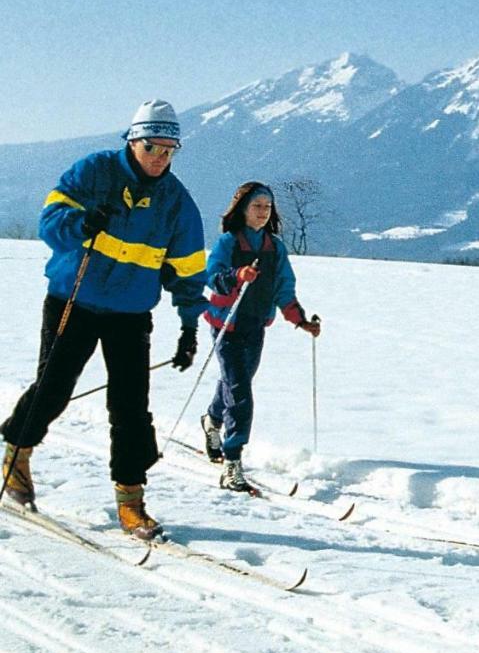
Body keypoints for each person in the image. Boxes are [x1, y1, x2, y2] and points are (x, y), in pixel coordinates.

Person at [0, 100, 208, 539]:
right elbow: (49, 224)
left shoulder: (177, 203)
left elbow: (188, 271)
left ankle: (131, 501)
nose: (160, 158)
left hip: (130, 314)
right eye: (153, 147)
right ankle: (17, 452)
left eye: (170, 150)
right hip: (73, 300)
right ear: (133, 140)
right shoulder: (93, 171)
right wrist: (81, 222)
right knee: (53, 388)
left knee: (131, 407)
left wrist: (190, 326)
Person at [199, 182, 321, 493]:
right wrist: (236, 276)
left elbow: (284, 286)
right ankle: (233, 460)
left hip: (255, 324)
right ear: (242, 209)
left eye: (268, 207)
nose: (263, 212)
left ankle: (212, 421)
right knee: (240, 389)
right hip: (227, 324)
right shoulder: (229, 242)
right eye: (257, 206)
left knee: (235, 382)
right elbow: (212, 276)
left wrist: (300, 320)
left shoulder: (274, 247)